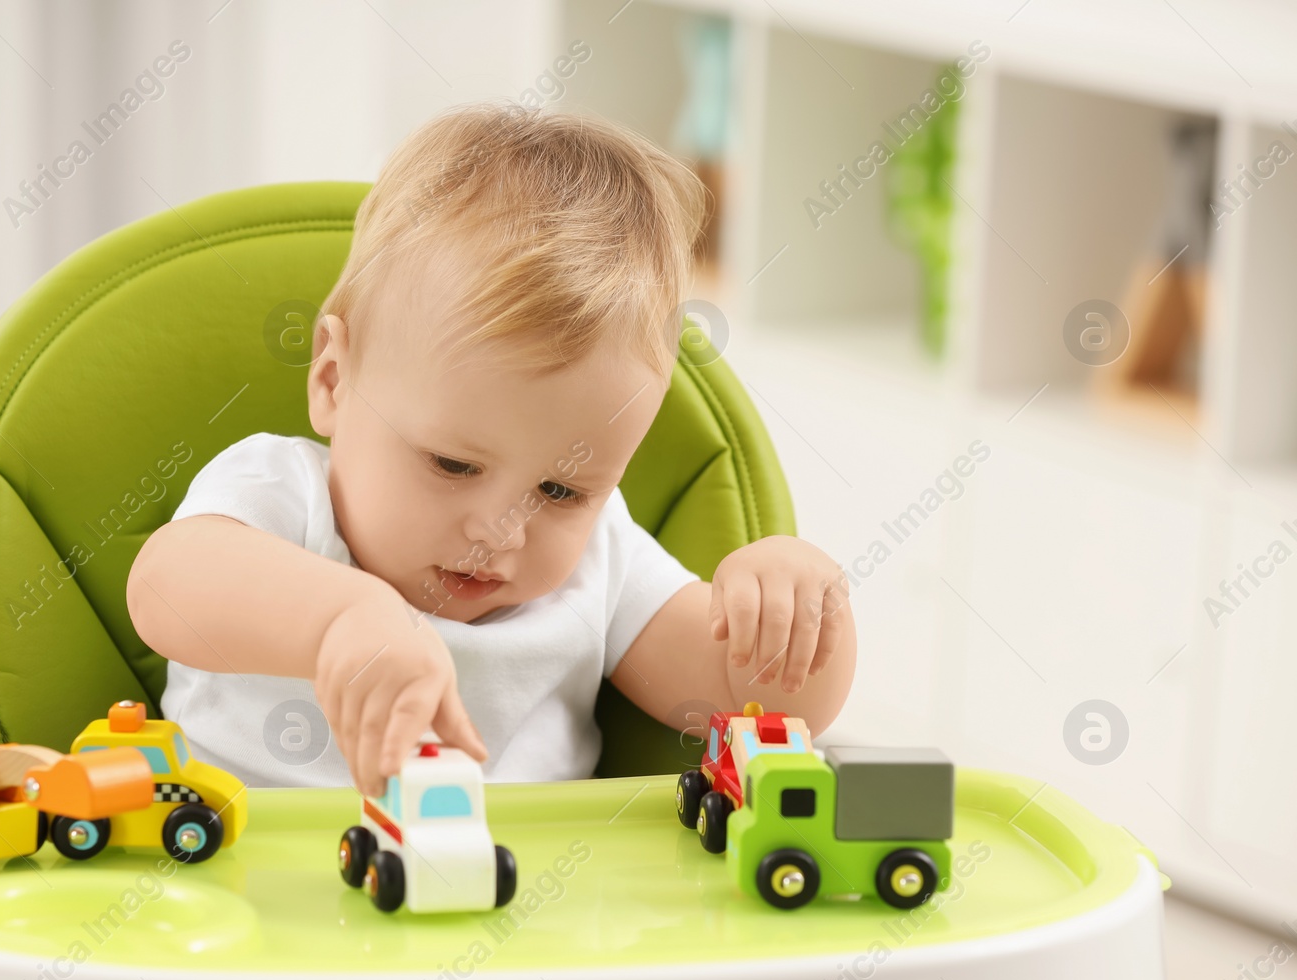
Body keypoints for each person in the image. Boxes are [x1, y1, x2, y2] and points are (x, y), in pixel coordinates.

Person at [128, 102, 855, 794]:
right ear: (332, 379)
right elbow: (166, 586)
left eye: (561, 491)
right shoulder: (284, 491)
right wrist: (340, 620)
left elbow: (754, 702)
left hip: (518, 900)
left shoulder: (601, 560)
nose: (500, 528)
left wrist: (799, 607)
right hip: (243, 889)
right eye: (453, 464)